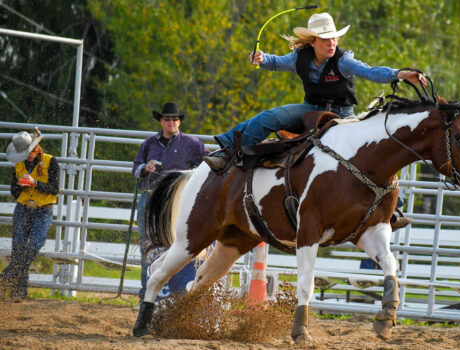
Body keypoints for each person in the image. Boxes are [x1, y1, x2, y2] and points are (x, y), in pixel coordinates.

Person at [204, 12, 422, 228]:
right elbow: (275, 62)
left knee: (369, 147)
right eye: (326, 39)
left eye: (334, 38)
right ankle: (228, 150)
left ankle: (392, 206)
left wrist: (401, 74)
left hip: (342, 114)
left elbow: (371, 72)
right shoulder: (300, 57)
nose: (332, 43)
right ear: (313, 41)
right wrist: (261, 59)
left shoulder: (344, 61)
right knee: (272, 116)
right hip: (311, 109)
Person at [132, 102, 209, 301]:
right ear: (161, 121)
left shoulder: (192, 144)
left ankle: (175, 294)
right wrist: (144, 168)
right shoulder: (149, 144)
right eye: (167, 119)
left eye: (175, 119)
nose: (171, 122)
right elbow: (135, 169)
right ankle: (147, 294)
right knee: (148, 247)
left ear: (179, 121)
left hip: (177, 201)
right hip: (150, 198)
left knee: (176, 245)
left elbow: (208, 164)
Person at [0, 128, 59, 299]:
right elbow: (14, 191)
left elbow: (54, 189)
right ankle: (18, 292)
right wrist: (21, 185)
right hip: (23, 208)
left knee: (34, 245)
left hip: (44, 209)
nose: (29, 156)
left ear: (37, 148)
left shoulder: (51, 162)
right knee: (19, 249)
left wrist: (35, 184)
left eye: (31, 152)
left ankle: (5, 279)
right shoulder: (19, 165)